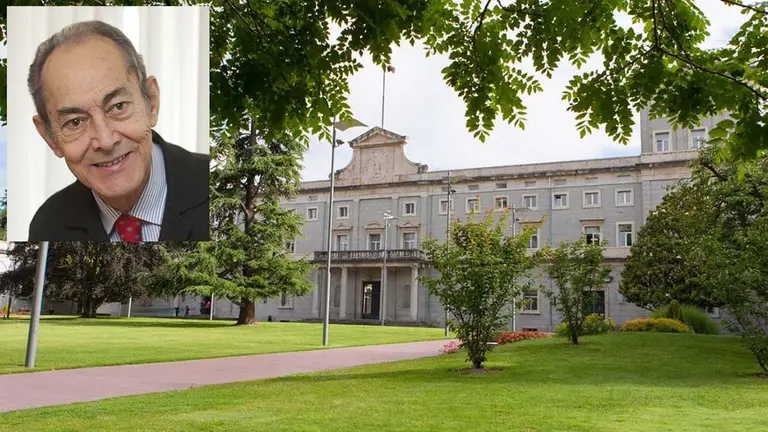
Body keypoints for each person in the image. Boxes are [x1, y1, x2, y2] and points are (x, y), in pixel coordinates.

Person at [25, 20, 209, 242]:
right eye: (75, 122)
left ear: (151, 101)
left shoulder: (221, 190)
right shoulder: (48, 225)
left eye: (118, 107)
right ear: (50, 137)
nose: (106, 140)